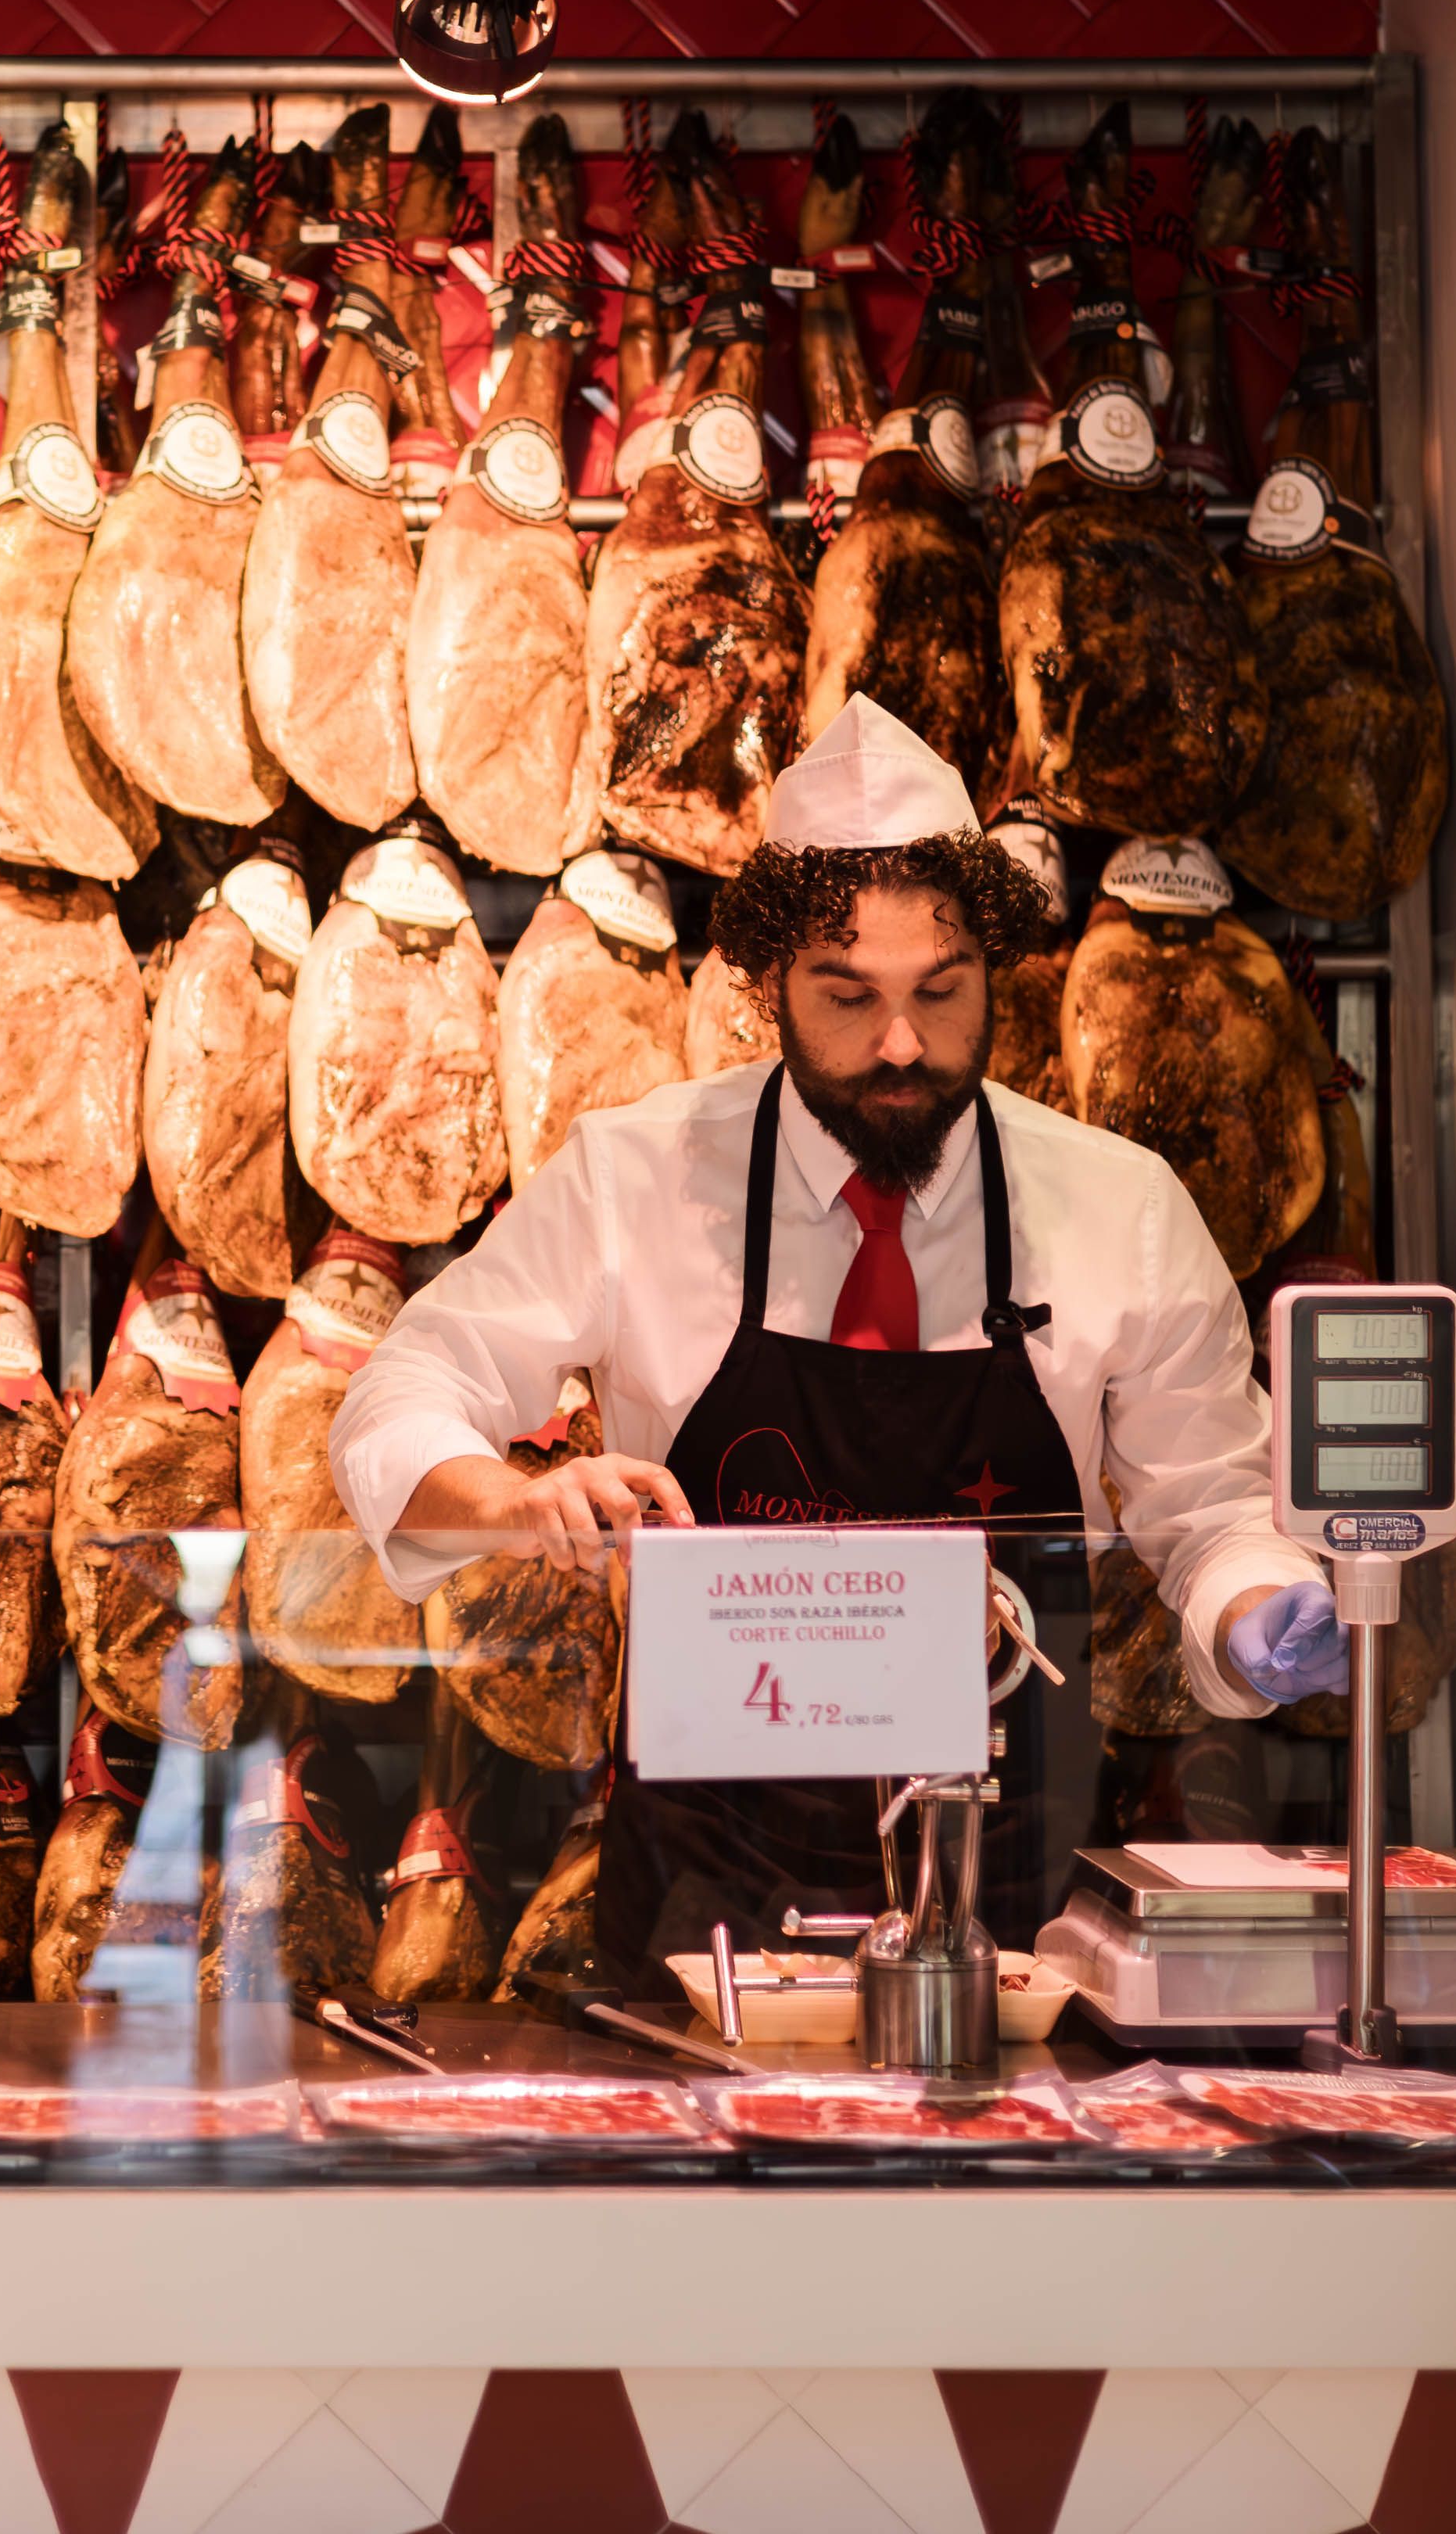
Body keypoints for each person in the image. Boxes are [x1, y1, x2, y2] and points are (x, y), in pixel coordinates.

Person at [324, 695, 1343, 1980]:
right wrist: (525, 1499)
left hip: (1010, 1923)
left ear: (996, 973)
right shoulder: (635, 1179)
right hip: (705, 1924)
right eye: (848, 995)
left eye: (943, 991)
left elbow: (1208, 1509)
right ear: (767, 985)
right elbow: (398, 1397)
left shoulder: (1120, 1208)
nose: (902, 1043)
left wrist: (1261, 1607)